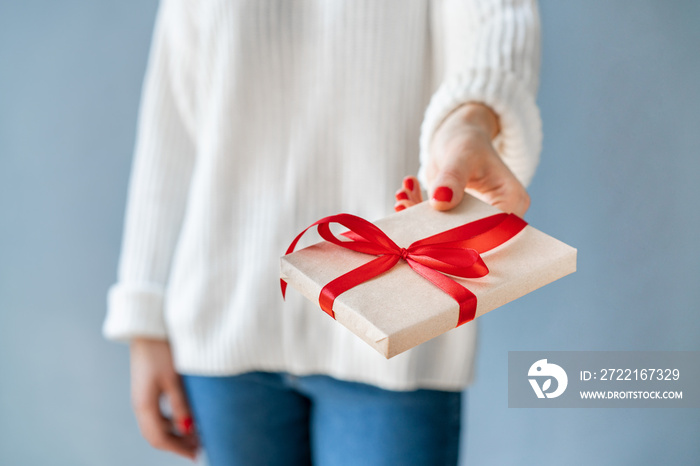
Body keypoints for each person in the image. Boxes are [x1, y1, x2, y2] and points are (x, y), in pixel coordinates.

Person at [104, 1, 541, 464]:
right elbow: (171, 118)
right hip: (224, 319)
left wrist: (472, 117)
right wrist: (143, 312)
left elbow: (497, 19)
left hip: (395, 325)